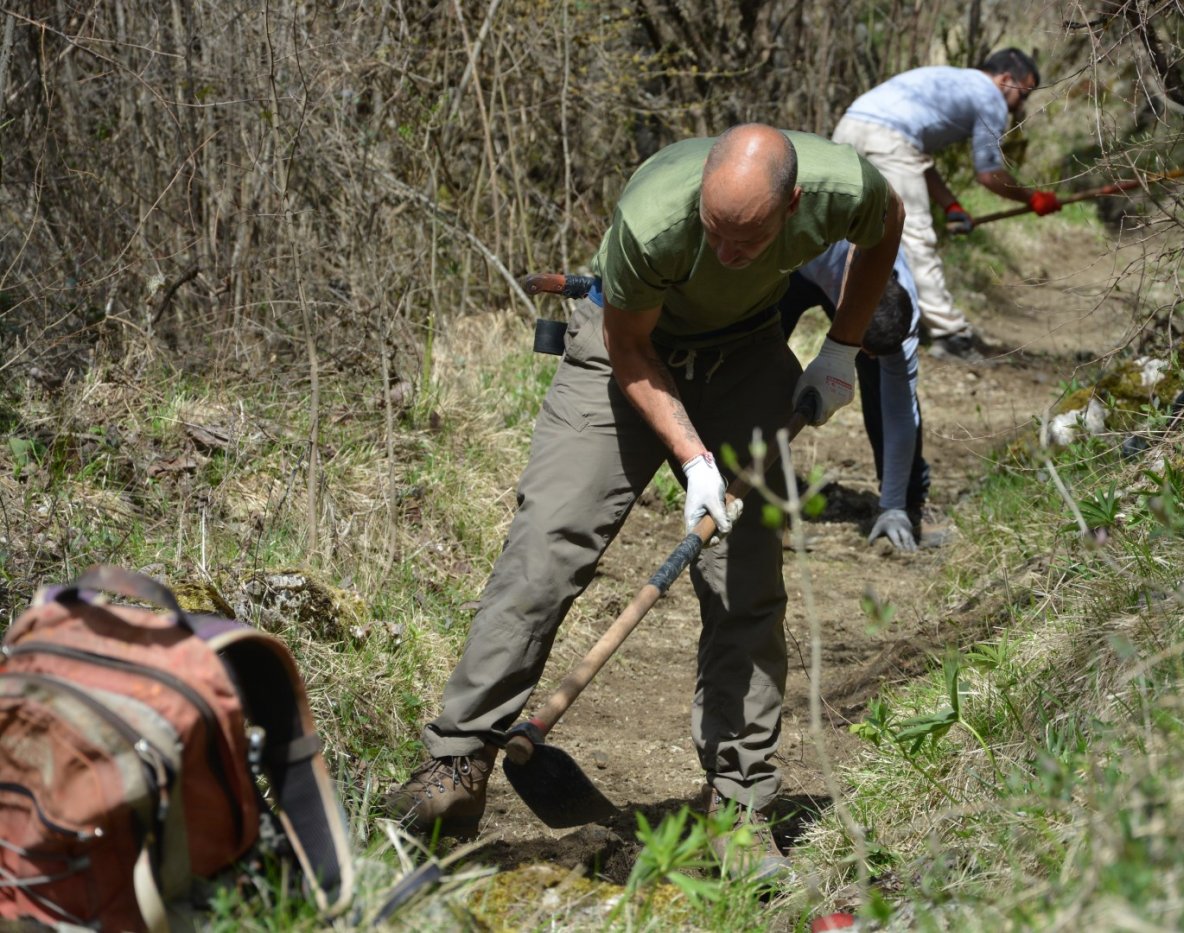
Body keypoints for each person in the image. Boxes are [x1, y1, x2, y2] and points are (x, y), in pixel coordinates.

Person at [387, 124, 904, 879]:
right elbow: (631, 351)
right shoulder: (655, 218)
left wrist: (841, 347)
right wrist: (694, 459)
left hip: (746, 351)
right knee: (548, 543)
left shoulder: (842, 188)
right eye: (715, 233)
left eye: (746, 240)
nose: (726, 252)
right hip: (624, 348)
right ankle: (456, 765)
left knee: (747, 582)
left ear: (792, 205)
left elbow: (885, 229)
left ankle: (740, 799)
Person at [833, 47, 1059, 359]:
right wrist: (1032, 197)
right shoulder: (990, 97)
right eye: (1025, 93)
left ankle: (854, 319)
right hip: (886, 140)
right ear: (1006, 79)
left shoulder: (951, 79)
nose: (1022, 105)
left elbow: (913, 155)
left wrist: (951, 205)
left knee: (851, 235)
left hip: (850, 125)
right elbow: (989, 174)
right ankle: (950, 334)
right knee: (914, 239)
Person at [778, 243, 929, 551]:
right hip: (794, 263)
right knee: (759, 358)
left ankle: (902, 503)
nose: (866, 356)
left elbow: (900, 413)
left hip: (849, 287)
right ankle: (750, 480)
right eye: (864, 350)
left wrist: (894, 505)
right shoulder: (821, 251)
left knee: (884, 388)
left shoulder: (906, 319)